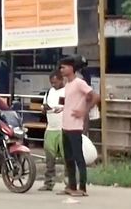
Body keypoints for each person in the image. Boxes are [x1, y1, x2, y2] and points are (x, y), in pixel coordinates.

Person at [59, 55, 100, 197]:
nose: (61, 70)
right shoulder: (68, 84)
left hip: (75, 127)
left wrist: (84, 110)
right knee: (68, 158)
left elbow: (95, 96)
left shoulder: (79, 83)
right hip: (65, 125)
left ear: (72, 68)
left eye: (64, 67)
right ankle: (71, 186)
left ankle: (82, 188)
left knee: (78, 158)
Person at [39, 71, 65, 192]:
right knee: (49, 159)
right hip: (51, 128)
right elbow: (44, 106)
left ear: (61, 80)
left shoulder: (66, 92)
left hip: (63, 128)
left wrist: (57, 108)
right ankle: (48, 182)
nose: (54, 85)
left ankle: (69, 183)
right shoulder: (49, 92)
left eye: (55, 82)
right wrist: (44, 108)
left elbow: (64, 106)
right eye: (52, 83)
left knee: (67, 157)